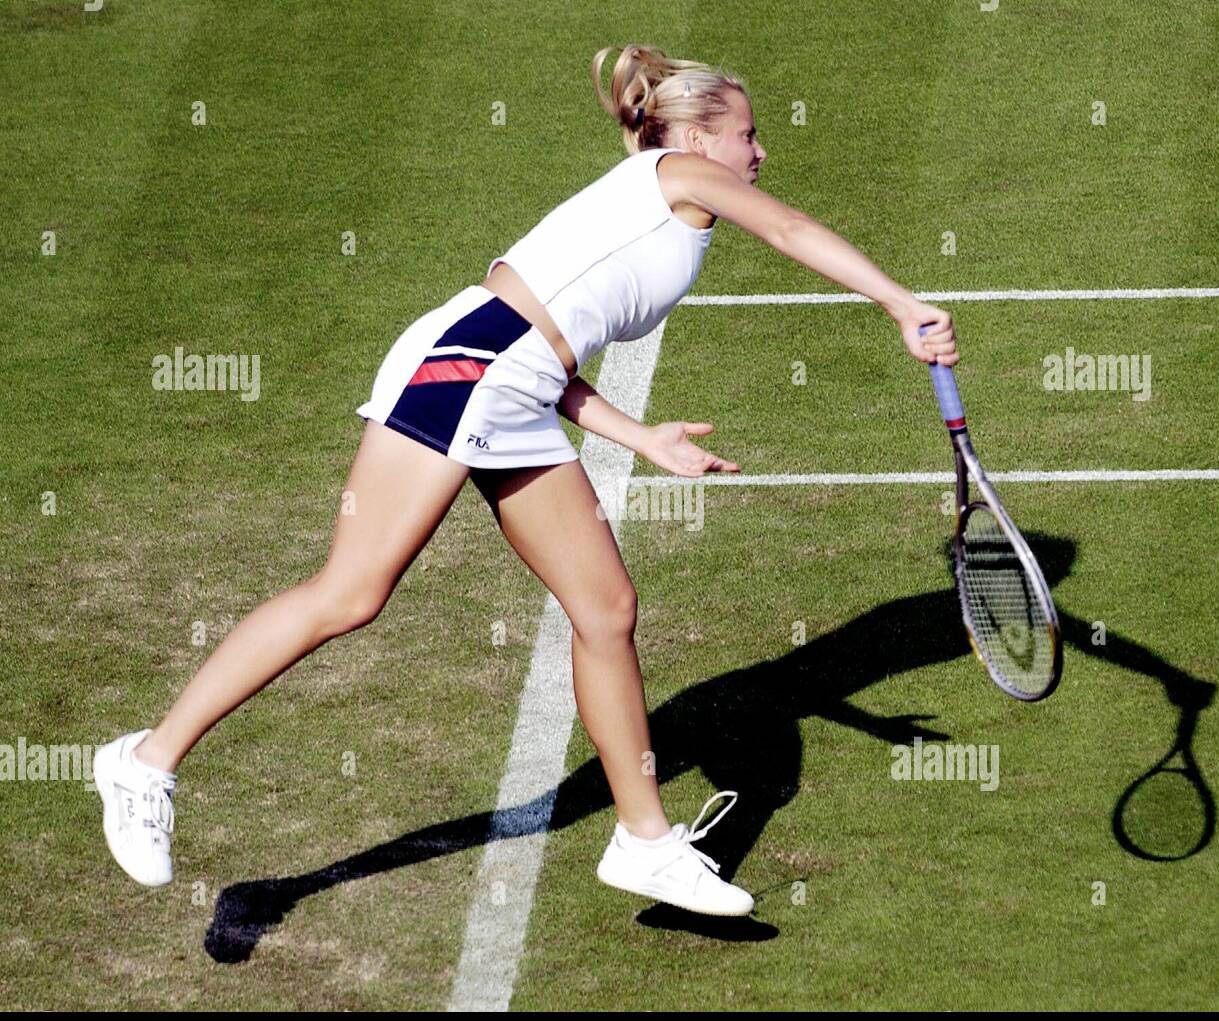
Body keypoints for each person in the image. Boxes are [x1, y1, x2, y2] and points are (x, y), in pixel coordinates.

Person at [94, 43, 958, 919]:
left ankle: (644, 842)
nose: (760, 153)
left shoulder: (667, 201)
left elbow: (552, 348)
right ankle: (144, 763)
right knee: (351, 592)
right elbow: (790, 230)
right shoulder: (683, 173)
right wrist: (900, 302)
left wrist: (640, 437)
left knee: (607, 608)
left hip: (515, 385)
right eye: (748, 135)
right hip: (464, 370)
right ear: (698, 137)